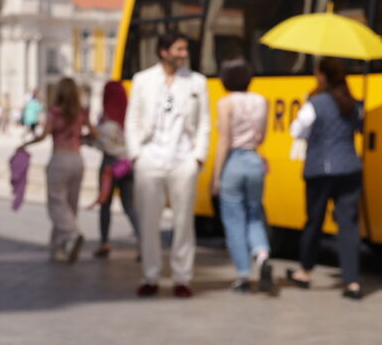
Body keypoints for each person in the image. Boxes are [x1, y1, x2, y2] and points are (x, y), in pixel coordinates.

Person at [126, 32, 211, 298]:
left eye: (185, 49)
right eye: (179, 49)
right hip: (150, 157)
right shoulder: (143, 80)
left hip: (182, 159)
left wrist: (198, 157)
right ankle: (150, 275)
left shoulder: (197, 82)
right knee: (149, 222)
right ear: (164, 51)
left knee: (184, 222)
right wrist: (136, 155)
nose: (184, 54)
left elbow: (205, 122)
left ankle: (182, 277)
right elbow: (132, 120)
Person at [286, 57, 365, 299]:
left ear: (321, 76)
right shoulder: (352, 103)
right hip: (350, 168)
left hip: (320, 170)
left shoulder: (315, 103)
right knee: (348, 226)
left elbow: (296, 131)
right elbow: (361, 126)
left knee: (314, 222)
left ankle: (305, 271)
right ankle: (352, 282)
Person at [210, 59, 272, 293]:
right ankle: (262, 255)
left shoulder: (226, 103)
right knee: (255, 213)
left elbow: (224, 140)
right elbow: (262, 136)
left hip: (234, 162)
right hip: (254, 161)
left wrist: (216, 177)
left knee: (234, 219)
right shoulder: (261, 101)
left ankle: (244, 275)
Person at [18, 77, 95, 262]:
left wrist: (25, 144)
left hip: (59, 158)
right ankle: (59, 247)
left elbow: (44, 135)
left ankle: (72, 233)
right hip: (77, 159)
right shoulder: (81, 113)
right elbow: (94, 133)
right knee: (70, 204)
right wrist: (80, 138)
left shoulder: (54, 112)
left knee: (56, 202)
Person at [92, 80, 139, 258]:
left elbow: (99, 143)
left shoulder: (107, 124)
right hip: (127, 166)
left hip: (110, 166)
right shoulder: (129, 119)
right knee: (130, 207)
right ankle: (142, 243)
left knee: (105, 204)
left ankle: (104, 242)